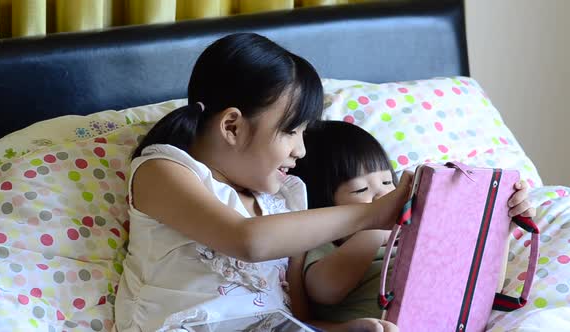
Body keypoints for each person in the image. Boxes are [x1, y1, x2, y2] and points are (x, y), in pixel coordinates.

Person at [114, 33, 406, 332]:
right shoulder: (163, 170)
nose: (301, 150)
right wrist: (370, 215)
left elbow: (298, 320)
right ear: (232, 126)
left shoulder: (286, 200)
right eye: (291, 131)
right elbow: (247, 241)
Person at [289, 120, 536, 325]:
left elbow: (484, 287)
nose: (384, 196)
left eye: (387, 183)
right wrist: (375, 226)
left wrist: (499, 228)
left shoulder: (411, 241)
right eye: (361, 189)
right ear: (322, 207)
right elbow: (326, 290)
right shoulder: (327, 246)